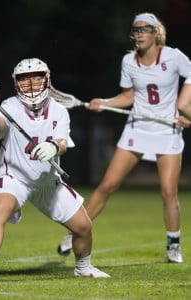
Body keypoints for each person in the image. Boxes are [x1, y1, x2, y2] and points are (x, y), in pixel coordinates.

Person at [57, 12, 191, 263]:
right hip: (137, 129)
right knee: (106, 186)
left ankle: (173, 243)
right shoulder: (129, 61)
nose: (139, 34)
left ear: (155, 33)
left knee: (168, 191)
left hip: (167, 131)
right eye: (136, 30)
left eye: (144, 30)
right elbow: (128, 96)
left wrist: (186, 107)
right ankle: (75, 229)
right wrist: (104, 103)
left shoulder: (173, 57)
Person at [0, 58, 110, 280]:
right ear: (16, 83)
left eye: (36, 78)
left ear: (47, 80)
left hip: (48, 183)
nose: (32, 85)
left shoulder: (60, 111)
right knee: (0, 209)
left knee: (84, 227)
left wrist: (53, 146)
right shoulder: (8, 106)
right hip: (14, 176)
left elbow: (63, 143)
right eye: (25, 80)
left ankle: (83, 268)